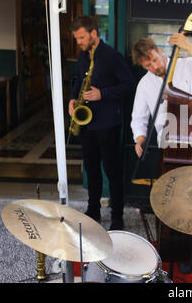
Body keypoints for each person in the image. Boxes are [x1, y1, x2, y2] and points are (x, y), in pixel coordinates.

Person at [69, 16, 135, 230]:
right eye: (76, 38)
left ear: (93, 33)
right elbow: (78, 80)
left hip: (107, 123)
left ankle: (117, 216)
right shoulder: (82, 56)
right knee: (91, 169)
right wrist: (72, 98)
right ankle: (93, 210)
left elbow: (128, 85)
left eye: (81, 37)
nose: (78, 41)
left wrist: (102, 94)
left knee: (112, 171)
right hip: (87, 123)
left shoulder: (112, 56)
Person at [130, 34, 192, 158]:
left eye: (155, 60)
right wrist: (140, 139)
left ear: (160, 51)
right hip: (167, 147)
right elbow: (139, 117)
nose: (155, 67)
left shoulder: (188, 65)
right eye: (148, 66)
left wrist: (189, 47)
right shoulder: (144, 84)